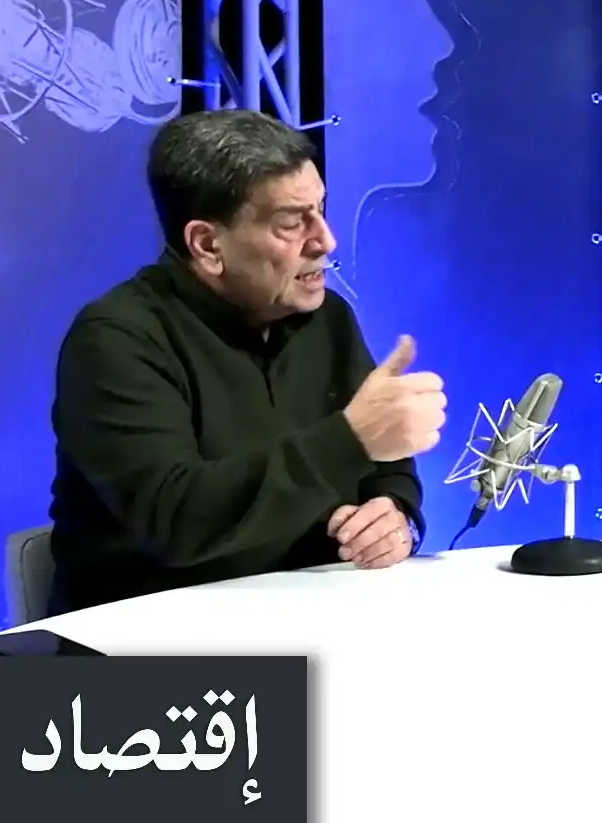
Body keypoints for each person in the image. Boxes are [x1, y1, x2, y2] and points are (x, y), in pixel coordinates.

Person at [47, 109, 448, 615]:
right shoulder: (115, 339)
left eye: (321, 209)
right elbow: (177, 522)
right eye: (292, 222)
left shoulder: (327, 319)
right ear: (207, 245)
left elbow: (383, 462)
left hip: (314, 613)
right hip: (150, 637)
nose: (325, 240)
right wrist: (349, 440)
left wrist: (395, 514)